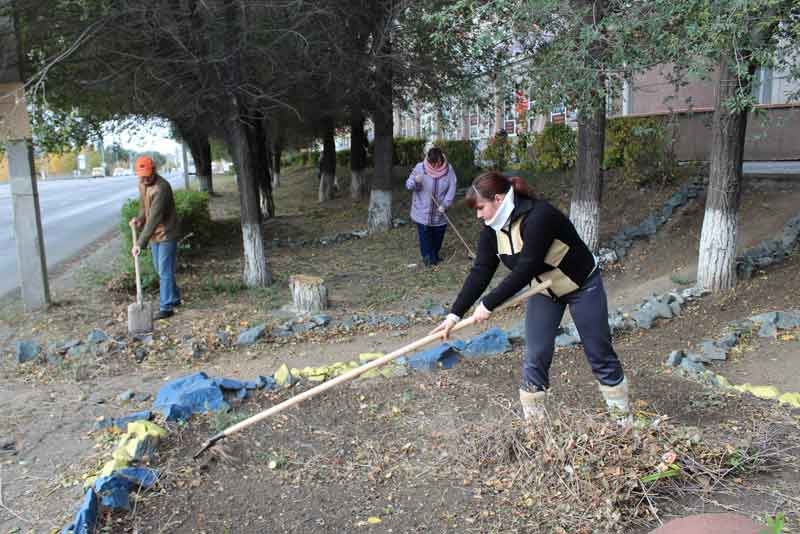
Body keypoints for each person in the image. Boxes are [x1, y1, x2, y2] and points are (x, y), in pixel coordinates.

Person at [431, 171, 631, 425]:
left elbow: (528, 266)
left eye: (481, 208)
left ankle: (623, 421)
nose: (478, 215)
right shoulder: (491, 231)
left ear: (499, 199)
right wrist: (454, 314)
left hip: (582, 285)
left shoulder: (540, 216)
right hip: (545, 291)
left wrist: (488, 304)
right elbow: (481, 271)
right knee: (536, 354)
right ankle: (535, 429)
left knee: (598, 351)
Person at [129, 156, 181, 320]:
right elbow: (145, 208)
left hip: (166, 233)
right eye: (142, 175)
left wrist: (139, 243)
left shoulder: (161, 187)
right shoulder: (143, 184)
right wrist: (139, 219)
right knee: (161, 269)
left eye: (148, 174)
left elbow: (155, 218)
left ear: (154, 170)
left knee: (164, 271)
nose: (145, 178)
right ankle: (175, 297)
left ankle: (166, 307)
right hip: (153, 235)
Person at [405, 147, 458, 266]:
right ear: (428, 160)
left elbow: (452, 188)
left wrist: (445, 204)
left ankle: (434, 255)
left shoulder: (449, 170)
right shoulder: (419, 168)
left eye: (437, 163)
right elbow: (408, 185)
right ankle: (428, 259)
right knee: (425, 236)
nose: (434, 166)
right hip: (422, 211)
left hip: (440, 211)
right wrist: (416, 182)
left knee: (438, 235)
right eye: (432, 163)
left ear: (441, 158)